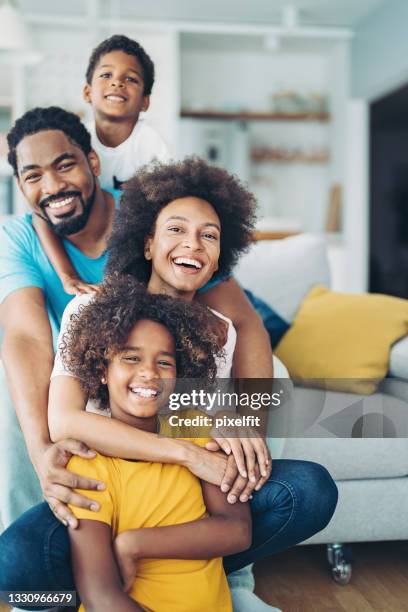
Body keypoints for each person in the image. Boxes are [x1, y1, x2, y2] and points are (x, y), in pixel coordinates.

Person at [0, 112, 337, 612]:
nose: (192, 244)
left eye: (210, 236)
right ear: (148, 242)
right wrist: (190, 452)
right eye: (176, 229)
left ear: (220, 255)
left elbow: (202, 425)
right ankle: (106, 586)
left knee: (309, 489)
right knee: (14, 564)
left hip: (184, 502)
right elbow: (65, 417)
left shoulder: (219, 332)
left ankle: (193, 572)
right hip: (108, 496)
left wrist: (241, 425)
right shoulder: (88, 310)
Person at [63, 277, 251, 611]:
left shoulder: (194, 428)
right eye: (131, 358)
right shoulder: (87, 463)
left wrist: (133, 544)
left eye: (164, 362)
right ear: (102, 370)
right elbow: (99, 593)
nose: (150, 373)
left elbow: (237, 530)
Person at [32, 34, 169, 296]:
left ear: (145, 101)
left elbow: (163, 212)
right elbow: (41, 214)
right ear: (87, 92)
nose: (117, 82)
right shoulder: (72, 141)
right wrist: (68, 276)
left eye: (131, 79)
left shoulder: (152, 145)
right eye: (106, 75)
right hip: (83, 237)